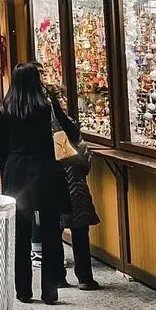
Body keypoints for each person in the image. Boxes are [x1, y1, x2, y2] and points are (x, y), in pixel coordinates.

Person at [0, 61, 66, 304]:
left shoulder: (6, 108)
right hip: (45, 170)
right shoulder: (45, 107)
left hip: (17, 173)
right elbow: (66, 131)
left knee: (20, 233)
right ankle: (50, 289)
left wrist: (8, 165)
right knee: (50, 230)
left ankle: (23, 289)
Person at [49, 88, 101, 291]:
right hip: (74, 177)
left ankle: (58, 276)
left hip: (52, 178)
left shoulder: (37, 117)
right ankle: (85, 277)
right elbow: (75, 134)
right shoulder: (63, 121)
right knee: (79, 228)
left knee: (54, 229)